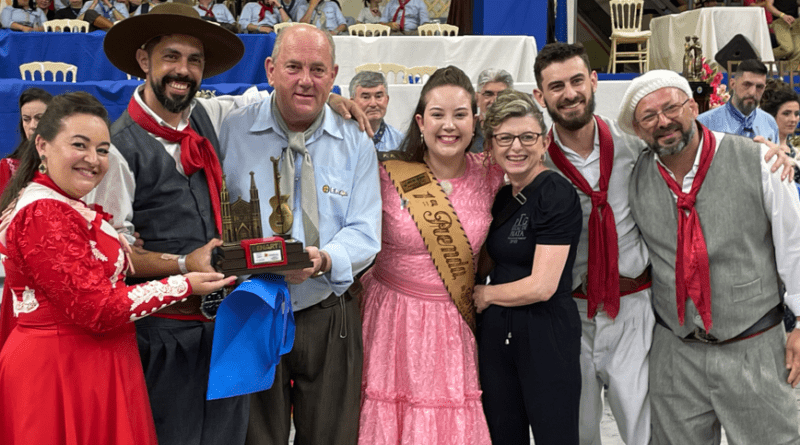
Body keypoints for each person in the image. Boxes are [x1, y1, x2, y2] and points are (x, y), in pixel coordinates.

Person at [0, 91, 235, 445]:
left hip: (91, 363)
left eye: (103, 150)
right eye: (79, 145)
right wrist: (183, 284)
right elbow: (97, 308)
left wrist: (183, 263)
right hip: (61, 370)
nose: (92, 159)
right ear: (43, 146)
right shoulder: (43, 212)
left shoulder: (66, 204)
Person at [219, 24, 381, 445]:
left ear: (334, 75)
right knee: (254, 434)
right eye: (293, 67)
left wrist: (324, 259)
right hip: (252, 305)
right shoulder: (230, 127)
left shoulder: (356, 139)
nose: (306, 80)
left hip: (328, 307)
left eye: (318, 69)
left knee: (332, 433)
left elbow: (365, 228)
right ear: (270, 69)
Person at [620, 69, 800, 445]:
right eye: (649, 116)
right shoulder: (633, 177)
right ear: (638, 130)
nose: (664, 121)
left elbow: (794, 244)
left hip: (754, 344)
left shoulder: (760, 162)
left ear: (693, 107)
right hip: (676, 350)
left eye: (672, 108)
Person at [358, 65, 501, 444]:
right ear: (421, 121)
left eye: (460, 115)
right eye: (437, 115)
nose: (448, 126)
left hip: (454, 322)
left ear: (475, 121)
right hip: (390, 318)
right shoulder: (386, 172)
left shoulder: (493, 174)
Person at [532, 42, 653, 445]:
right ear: (540, 96)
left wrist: (763, 149)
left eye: (577, 80)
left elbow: (692, 149)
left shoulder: (634, 147)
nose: (569, 94)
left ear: (595, 81)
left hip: (631, 307)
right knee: (578, 430)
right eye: (556, 86)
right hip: (571, 312)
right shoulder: (532, 162)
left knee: (642, 426)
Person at [473, 88, 583, 445]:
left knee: (555, 436)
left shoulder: (556, 193)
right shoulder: (503, 195)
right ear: (489, 145)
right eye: (504, 138)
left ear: (545, 141)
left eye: (526, 137)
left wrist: (485, 294)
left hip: (546, 334)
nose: (515, 147)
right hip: (498, 336)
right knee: (504, 436)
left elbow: (542, 285)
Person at [697, 59, 780, 143]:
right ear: (733, 84)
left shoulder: (770, 123)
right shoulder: (705, 123)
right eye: (747, 84)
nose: (752, 92)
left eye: (759, 87)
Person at [2, 88, 53, 193]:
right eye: (26, 119)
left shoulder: (65, 162)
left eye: (39, 118)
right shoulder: (8, 167)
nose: (32, 126)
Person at [349, 71, 404, 152]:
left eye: (378, 96)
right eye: (365, 97)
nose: (373, 104)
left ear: (387, 100)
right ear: (352, 103)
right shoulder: (341, 138)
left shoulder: (399, 142)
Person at [471, 68, 513, 153]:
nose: (494, 101)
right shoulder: (466, 137)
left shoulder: (523, 133)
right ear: (477, 98)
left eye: (502, 95)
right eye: (488, 94)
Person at [760, 78, 800, 159]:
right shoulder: (761, 150)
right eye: (786, 113)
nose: (793, 119)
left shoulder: (796, 152)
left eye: (796, 114)